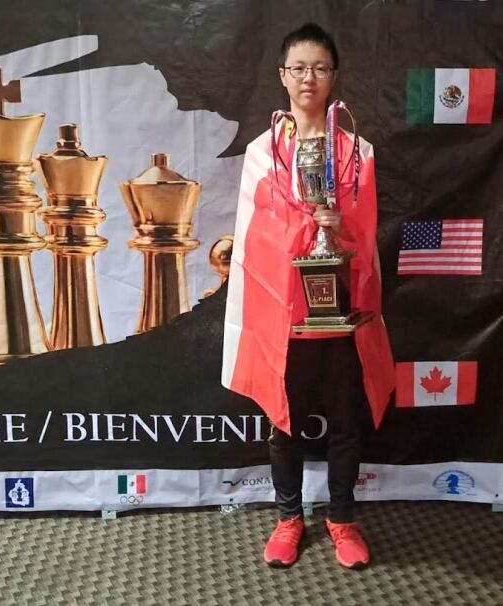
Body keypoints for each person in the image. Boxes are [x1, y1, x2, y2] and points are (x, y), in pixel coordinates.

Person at [221, 23, 396, 569]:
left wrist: (336, 226)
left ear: (334, 76)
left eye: (319, 68)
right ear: (282, 76)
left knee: (346, 420)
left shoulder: (355, 149)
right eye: (298, 68)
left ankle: (342, 520)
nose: (308, 78)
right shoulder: (263, 151)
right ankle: (289, 519)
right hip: (286, 312)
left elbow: (364, 234)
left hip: (340, 309)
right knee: (285, 422)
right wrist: (301, 227)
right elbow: (254, 237)